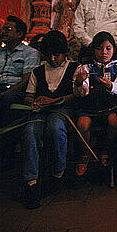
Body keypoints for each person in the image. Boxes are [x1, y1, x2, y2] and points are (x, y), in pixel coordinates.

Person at [22, 31, 83, 209]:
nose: (54, 58)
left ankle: (57, 174)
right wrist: (33, 103)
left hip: (62, 109)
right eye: (49, 55)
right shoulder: (38, 71)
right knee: (30, 131)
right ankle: (31, 182)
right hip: (40, 111)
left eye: (57, 54)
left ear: (65, 53)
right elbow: (28, 95)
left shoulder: (75, 68)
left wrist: (53, 101)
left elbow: (75, 96)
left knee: (55, 128)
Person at [74, 32, 117, 176]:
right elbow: (80, 93)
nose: (104, 52)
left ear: (113, 50)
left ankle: (107, 149)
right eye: (99, 48)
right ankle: (85, 152)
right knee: (82, 124)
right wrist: (79, 82)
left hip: (110, 107)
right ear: (93, 50)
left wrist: (111, 86)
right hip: (89, 107)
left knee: (114, 121)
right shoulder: (85, 68)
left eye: (108, 48)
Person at [0, 16, 41, 128]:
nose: (4, 32)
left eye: (8, 29)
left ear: (19, 34)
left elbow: (27, 80)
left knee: (7, 99)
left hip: (14, 91)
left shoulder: (30, 53)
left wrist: (1, 95)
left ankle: (2, 143)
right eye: (3, 29)